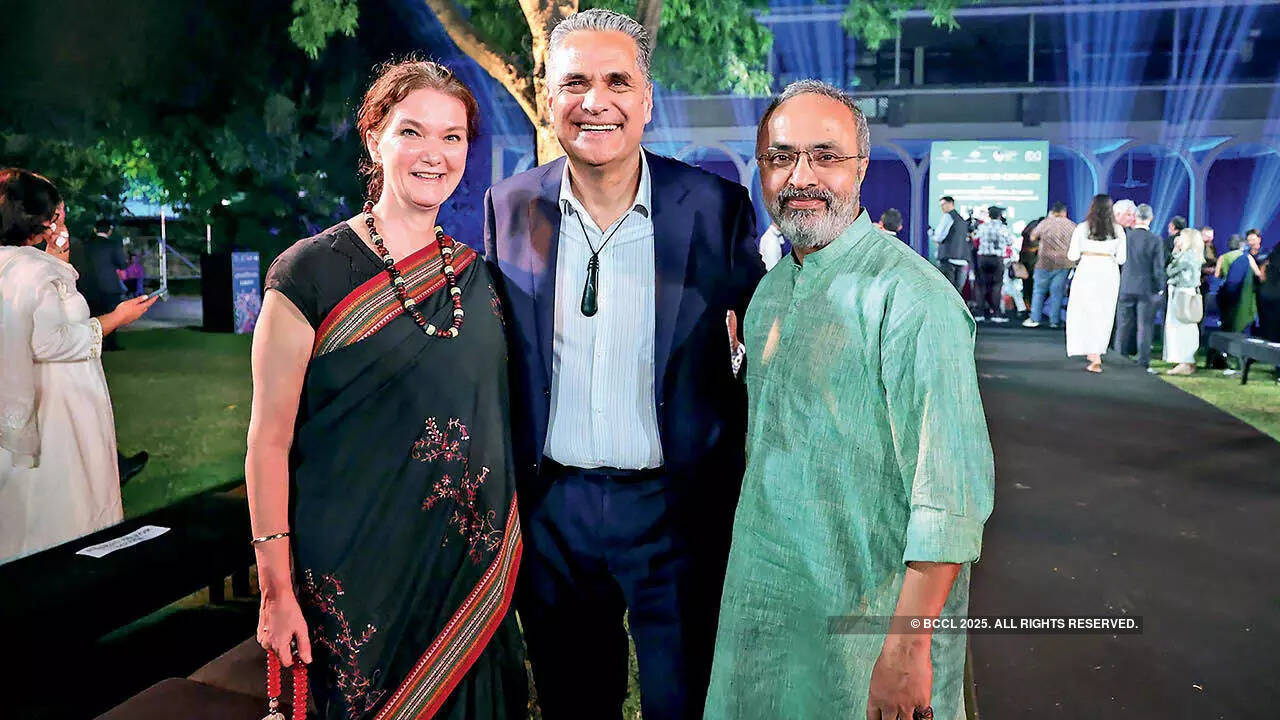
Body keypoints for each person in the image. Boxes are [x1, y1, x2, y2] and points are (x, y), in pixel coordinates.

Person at [483, 11, 764, 719]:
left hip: (675, 511)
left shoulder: (714, 207)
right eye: (574, 81)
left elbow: (756, 357)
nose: (595, 100)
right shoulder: (508, 207)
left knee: (684, 702)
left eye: (617, 81)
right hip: (554, 515)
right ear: (548, 96)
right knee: (575, 702)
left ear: (645, 98)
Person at [704, 80, 994, 720]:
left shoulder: (913, 300)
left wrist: (906, 648)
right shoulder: (773, 290)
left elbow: (950, 496)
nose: (801, 176)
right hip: (770, 607)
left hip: (868, 631)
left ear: (861, 168)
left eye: (825, 156)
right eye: (782, 157)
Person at [247, 61, 525, 720]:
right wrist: (275, 588)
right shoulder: (308, 273)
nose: (435, 153)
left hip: (463, 578)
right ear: (374, 138)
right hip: (352, 577)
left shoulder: (477, 278)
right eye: (412, 131)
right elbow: (267, 441)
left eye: (453, 137)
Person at [0, 168, 156, 562]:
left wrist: (57, 261)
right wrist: (117, 319)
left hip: (32, 396)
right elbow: (49, 340)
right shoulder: (33, 272)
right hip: (58, 401)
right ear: (43, 221)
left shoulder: (18, 266)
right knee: (64, 489)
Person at [1065, 194, 1126, 373]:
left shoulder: (1082, 228)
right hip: (1109, 272)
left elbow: (1072, 255)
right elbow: (1122, 258)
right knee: (1104, 313)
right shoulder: (1118, 230)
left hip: (1086, 270)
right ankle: (1096, 352)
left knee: (1083, 311)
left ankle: (1091, 352)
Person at [1112, 203, 1165, 371]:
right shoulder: (1155, 239)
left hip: (1126, 286)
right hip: (1147, 289)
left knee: (1123, 325)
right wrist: (1160, 287)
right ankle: (1143, 363)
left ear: (1135, 217)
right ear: (1151, 218)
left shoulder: (1125, 237)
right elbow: (1158, 268)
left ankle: (1119, 359)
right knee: (1145, 327)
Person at [77, 218, 128, 351]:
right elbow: (122, 265)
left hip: (89, 285)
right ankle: (110, 344)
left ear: (95, 229)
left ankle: (93, 343)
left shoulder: (86, 245)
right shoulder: (113, 245)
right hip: (110, 285)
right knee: (111, 315)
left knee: (93, 315)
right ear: (109, 231)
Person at [1024, 202, 1075, 328]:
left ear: (1053, 211)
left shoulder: (1046, 223)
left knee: (1039, 291)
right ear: (1064, 212)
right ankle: (1054, 321)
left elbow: (1032, 237)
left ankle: (1035, 319)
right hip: (1064, 262)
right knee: (1057, 292)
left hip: (1044, 262)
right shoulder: (1071, 225)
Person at [1164, 228, 1205, 376]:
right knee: (1188, 327)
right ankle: (1188, 361)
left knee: (1180, 327)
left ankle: (1184, 362)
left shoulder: (1186, 255)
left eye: (1181, 237)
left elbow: (1170, 270)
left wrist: (1175, 250)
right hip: (1187, 292)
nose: (1178, 239)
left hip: (1182, 293)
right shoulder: (1194, 255)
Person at [1215, 230, 1263, 334]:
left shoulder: (1222, 257)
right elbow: (1258, 273)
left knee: (1227, 320)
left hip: (1225, 293)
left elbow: (1216, 275)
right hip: (1242, 293)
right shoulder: (1246, 257)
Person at [973, 205, 1012, 321]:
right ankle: (996, 314)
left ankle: (980, 313)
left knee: (981, 285)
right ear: (1000, 215)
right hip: (997, 259)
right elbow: (1009, 242)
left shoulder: (983, 226)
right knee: (996, 285)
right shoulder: (1004, 228)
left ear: (989, 215)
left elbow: (976, 238)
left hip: (983, 258)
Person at [934, 195, 970, 294]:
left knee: (947, 291)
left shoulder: (948, 217)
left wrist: (934, 237)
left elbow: (938, 236)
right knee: (957, 292)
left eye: (943, 204)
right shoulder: (962, 219)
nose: (942, 207)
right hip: (962, 259)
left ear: (950, 204)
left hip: (948, 259)